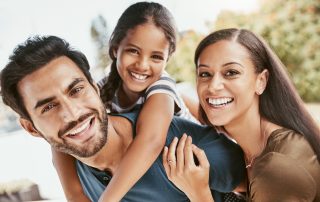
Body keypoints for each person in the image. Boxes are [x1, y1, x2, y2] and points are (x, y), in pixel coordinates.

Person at [0, 35, 246, 202]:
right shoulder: (71, 164)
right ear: (31, 128)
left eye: (76, 90)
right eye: (49, 107)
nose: (72, 114)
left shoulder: (189, 151)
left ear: (96, 89)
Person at [51, 2, 198, 202]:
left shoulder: (162, 86)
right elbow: (63, 138)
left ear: (166, 61)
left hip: (196, 166)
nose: (142, 65)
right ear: (114, 49)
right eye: (133, 51)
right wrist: (74, 194)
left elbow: (151, 141)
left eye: (156, 57)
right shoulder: (98, 91)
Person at [163, 28, 320, 201]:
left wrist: (198, 193)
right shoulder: (251, 149)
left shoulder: (277, 169)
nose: (213, 86)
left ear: (261, 81)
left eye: (231, 73)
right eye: (205, 74)